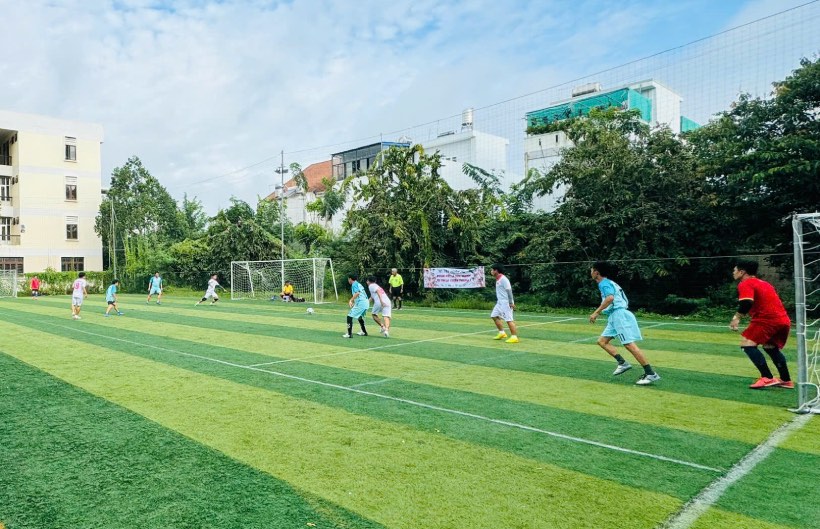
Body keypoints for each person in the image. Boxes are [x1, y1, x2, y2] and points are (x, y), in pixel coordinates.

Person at [589, 261, 660, 385]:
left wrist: (596, 312)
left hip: (619, 315)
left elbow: (610, 298)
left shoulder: (604, 283)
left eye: (591, 270)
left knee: (629, 345)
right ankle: (622, 363)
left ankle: (650, 374)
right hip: (614, 315)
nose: (590, 272)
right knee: (602, 341)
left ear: (596, 272)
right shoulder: (608, 282)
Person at [730, 259, 793, 389]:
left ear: (742, 272)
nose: (733, 272)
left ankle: (767, 377)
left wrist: (736, 318)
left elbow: (747, 302)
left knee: (747, 344)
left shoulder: (746, 283)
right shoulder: (764, 283)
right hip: (783, 320)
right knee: (770, 347)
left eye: (735, 270)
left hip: (767, 320)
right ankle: (786, 380)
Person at [490, 264, 519, 343]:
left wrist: (510, 302)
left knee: (509, 320)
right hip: (499, 302)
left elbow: (509, 291)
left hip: (506, 303)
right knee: (494, 316)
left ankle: (514, 337)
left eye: (492, 270)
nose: (491, 271)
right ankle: (502, 333)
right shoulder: (497, 279)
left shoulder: (504, 279)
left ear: (496, 270)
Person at [343, 273, 370, 338]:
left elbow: (357, 293)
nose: (348, 280)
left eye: (348, 279)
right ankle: (364, 332)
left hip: (362, 303)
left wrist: (351, 300)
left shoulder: (354, 284)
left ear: (350, 279)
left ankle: (349, 334)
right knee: (359, 317)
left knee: (349, 316)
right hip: (366, 303)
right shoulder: (358, 284)